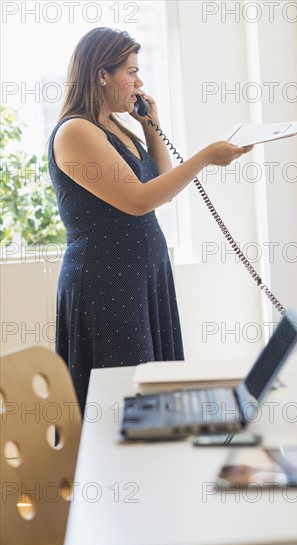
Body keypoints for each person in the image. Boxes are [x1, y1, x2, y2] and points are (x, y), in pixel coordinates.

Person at [48, 27, 254, 415]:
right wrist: (206, 157)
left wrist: (149, 124)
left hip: (142, 274)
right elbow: (139, 201)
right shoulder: (76, 131)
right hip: (107, 281)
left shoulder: (115, 127)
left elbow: (159, 181)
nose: (139, 81)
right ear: (101, 75)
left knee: (154, 394)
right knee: (125, 398)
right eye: (131, 71)